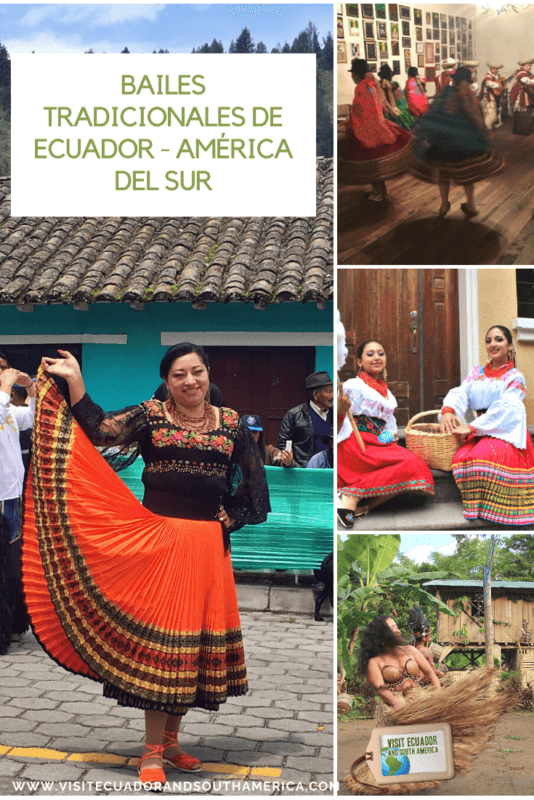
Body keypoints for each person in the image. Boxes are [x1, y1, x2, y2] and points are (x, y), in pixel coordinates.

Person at [23, 344, 270, 788]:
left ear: (208, 374)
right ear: (167, 381)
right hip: (160, 542)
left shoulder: (232, 423)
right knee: (167, 649)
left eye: (197, 372)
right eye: (179, 374)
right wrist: (75, 379)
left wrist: (231, 515)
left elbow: (253, 485)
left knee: (189, 651)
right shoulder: (151, 415)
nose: (190, 381)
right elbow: (100, 430)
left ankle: (172, 744)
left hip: (208, 549)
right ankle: (151, 752)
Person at [344, 614, 518, 794]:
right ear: (381, 633)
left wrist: (439, 694)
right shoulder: (375, 661)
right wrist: (396, 702)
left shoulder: (410, 650)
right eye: (391, 627)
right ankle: (396, 778)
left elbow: (430, 672)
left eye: (396, 626)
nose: (397, 630)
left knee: (425, 738)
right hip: (394, 703)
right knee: (399, 745)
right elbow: (380, 687)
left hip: (419, 696)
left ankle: (424, 773)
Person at [439, 324, 534, 525]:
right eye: (488, 340)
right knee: (460, 457)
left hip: (504, 430)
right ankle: (477, 507)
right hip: (482, 429)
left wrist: (472, 427)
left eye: (499, 339)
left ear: (510, 346)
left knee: (480, 457)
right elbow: (462, 392)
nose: (493, 344)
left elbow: (506, 408)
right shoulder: (476, 373)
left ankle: (500, 509)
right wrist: (448, 410)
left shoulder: (515, 377)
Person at [337, 340, 434, 529]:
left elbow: (388, 427)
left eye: (380, 353)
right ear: (359, 361)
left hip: (377, 443)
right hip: (354, 441)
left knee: (414, 464)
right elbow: (337, 423)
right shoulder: (352, 386)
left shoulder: (388, 394)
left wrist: (389, 437)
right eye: (370, 354)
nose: (376, 358)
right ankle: (351, 498)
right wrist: (341, 411)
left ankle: (362, 504)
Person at [410, 66, 505, 217]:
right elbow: (477, 118)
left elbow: (433, 114)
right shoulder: (468, 95)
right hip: (465, 144)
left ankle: (443, 206)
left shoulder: (446, 93)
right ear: (467, 80)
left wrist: (422, 133)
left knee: (444, 175)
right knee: (467, 175)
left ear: (453, 79)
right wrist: (484, 136)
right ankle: (471, 205)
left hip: (443, 144)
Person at [338, 58, 414, 202]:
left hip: (368, 129)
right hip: (380, 126)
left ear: (355, 74)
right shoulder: (373, 84)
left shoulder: (361, 87)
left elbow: (359, 111)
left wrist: (348, 125)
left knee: (370, 162)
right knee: (377, 162)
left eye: (352, 74)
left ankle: (378, 192)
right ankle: (381, 189)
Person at [0, 356, 35, 655]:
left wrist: (31, 387)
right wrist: (5, 385)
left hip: (11, 496)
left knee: (11, 564)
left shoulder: (8, 408)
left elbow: (32, 417)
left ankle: (9, 626)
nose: (3, 372)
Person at [277, 371, 333, 468]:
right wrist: (292, 464)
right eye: (328, 392)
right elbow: (283, 446)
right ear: (315, 394)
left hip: (331, 473)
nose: (332, 396)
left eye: (333, 391)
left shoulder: (335, 415)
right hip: (304, 473)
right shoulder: (294, 415)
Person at [408, 605, 446, 678]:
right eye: (429, 636)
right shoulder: (427, 651)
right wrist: (443, 675)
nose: (430, 639)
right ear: (423, 638)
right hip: (422, 684)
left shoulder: (409, 650)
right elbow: (433, 671)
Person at [510, 58, 534, 135]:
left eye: (530, 66)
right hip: (521, 97)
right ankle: (522, 131)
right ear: (523, 66)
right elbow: (526, 81)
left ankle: (523, 130)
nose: (529, 67)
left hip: (525, 95)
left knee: (525, 113)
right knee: (523, 113)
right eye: (527, 66)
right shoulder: (522, 73)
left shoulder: (526, 73)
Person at [479, 61, 505, 130]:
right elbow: (488, 83)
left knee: (491, 114)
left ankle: (487, 128)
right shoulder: (488, 76)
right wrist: (498, 86)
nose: (495, 70)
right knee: (491, 114)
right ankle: (486, 129)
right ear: (491, 69)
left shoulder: (496, 76)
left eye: (496, 69)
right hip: (488, 98)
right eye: (494, 69)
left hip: (493, 97)